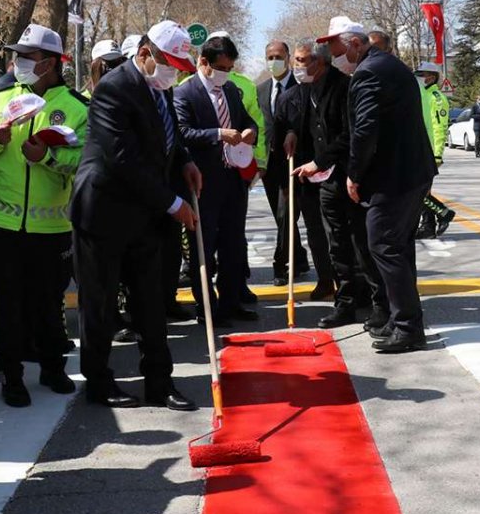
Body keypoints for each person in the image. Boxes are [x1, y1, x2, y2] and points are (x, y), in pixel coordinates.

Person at [72, 20, 200, 411]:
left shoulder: (161, 90)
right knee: (101, 304)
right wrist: (174, 203)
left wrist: (186, 163)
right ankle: (98, 381)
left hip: (145, 214)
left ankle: (160, 383)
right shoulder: (114, 88)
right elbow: (124, 159)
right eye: (169, 64)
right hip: (105, 212)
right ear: (145, 54)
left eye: (179, 67)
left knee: (150, 303)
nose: (172, 73)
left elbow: (168, 139)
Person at [0, 24, 84, 407]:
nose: (16, 62)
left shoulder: (76, 106)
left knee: (50, 303)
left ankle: (53, 368)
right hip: (2, 223)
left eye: (26, 56)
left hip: (51, 225)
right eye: (16, 55)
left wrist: (49, 157)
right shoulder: (0, 98)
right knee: (7, 303)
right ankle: (10, 374)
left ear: (50, 63)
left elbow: (85, 160)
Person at [321, 16, 435, 353]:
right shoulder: (386, 65)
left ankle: (408, 327)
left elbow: (365, 130)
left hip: (393, 177)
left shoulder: (370, 71)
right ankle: (402, 318)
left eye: (337, 49)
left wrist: (354, 174)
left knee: (384, 246)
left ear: (355, 43)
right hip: (408, 174)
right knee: (398, 248)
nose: (334, 58)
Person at [291, 41, 387, 329]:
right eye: (295, 59)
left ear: (319, 62)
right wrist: (293, 136)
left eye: (301, 60)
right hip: (327, 181)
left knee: (362, 241)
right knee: (337, 243)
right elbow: (310, 127)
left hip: (351, 176)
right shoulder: (309, 88)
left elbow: (351, 134)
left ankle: (378, 304)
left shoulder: (345, 87)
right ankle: (344, 302)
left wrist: (318, 162)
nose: (297, 65)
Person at [173, 35, 259, 327]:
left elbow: (248, 121)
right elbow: (182, 134)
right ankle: (207, 306)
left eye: (230, 67)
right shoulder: (185, 94)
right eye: (221, 67)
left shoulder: (232, 91)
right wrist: (218, 134)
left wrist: (249, 132)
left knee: (234, 244)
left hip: (234, 180)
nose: (225, 72)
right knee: (204, 246)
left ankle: (232, 303)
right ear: (204, 63)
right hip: (203, 183)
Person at [259, 40, 312, 287]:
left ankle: (280, 264)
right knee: (284, 218)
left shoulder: (301, 87)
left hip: (296, 163)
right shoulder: (261, 89)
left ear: (288, 57)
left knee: (285, 214)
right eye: (270, 57)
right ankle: (299, 258)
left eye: (278, 56)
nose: (274, 61)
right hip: (270, 167)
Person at [415, 61, 457, 239]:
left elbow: (440, 128)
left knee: (418, 191)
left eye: (421, 75)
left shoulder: (436, 98)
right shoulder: (421, 95)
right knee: (422, 191)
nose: (419, 78)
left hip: (429, 151)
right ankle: (428, 226)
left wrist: (438, 153)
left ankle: (443, 213)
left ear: (431, 77)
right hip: (418, 149)